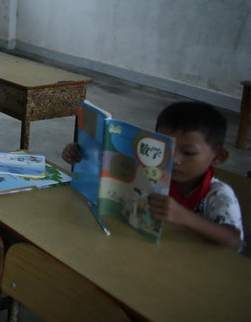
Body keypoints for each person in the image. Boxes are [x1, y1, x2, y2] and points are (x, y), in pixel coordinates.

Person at [63, 101, 243, 251]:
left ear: (219, 156)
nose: (174, 160)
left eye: (188, 153)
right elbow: (109, 186)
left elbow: (234, 241)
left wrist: (186, 217)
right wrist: (82, 156)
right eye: (166, 149)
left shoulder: (218, 194)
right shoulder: (150, 175)